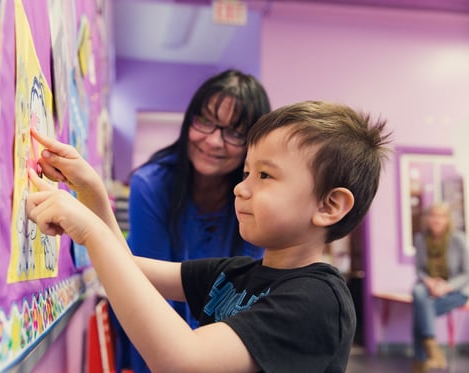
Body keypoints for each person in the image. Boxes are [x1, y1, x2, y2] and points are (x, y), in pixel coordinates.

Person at [26, 100, 391, 372]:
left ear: (329, 206)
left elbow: (185, 361)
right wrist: (92, 193)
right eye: (245, 173)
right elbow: (128, 269)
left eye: (264, 176)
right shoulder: (236, 274)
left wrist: (90, 231)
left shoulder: (318, 302)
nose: (241, 189)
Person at [122, 69, 271, 371]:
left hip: (221, 350)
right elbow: (149, 295)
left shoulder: (253, 195)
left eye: (235, 132)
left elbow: (247, 293)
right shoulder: (151, 185)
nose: (214, 142)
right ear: (189, 120)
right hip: (156, 341)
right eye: (205, 121)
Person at [411, 202, 469, 373]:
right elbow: (419, 270)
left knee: (420, 311)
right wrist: (429, 282)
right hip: (430, 288)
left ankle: (421, 363)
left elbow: (467, 272)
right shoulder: (421, 239)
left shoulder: (458, 239)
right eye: (433, 215)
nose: (436, 220)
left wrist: (446, 286)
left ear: (447, 220)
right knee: (418, 290)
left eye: (441, 216)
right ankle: (432, 351)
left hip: (457, 290)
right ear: (427, 219)